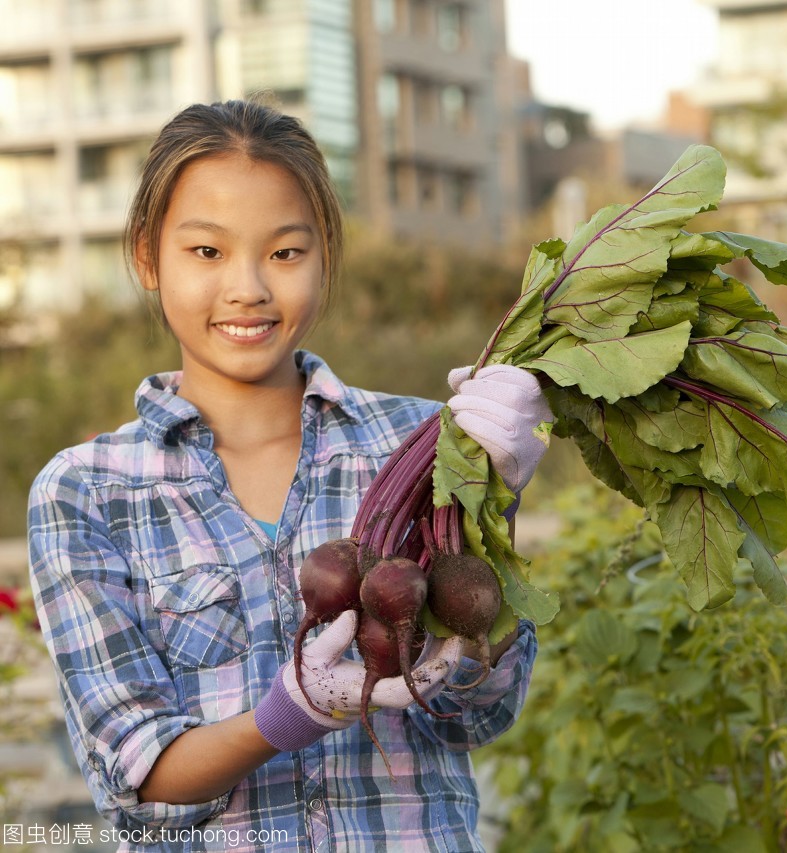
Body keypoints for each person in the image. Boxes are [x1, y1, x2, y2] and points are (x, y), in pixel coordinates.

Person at [26, 98, 552, 851]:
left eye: (285, 252)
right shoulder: (86, 492)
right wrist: (291, 709)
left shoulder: (422, 444)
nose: (249, 288)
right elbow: (136, 778)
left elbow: (480, 714)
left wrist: (491, 510)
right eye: (206, 252)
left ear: (324, 256)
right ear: (148, 256)